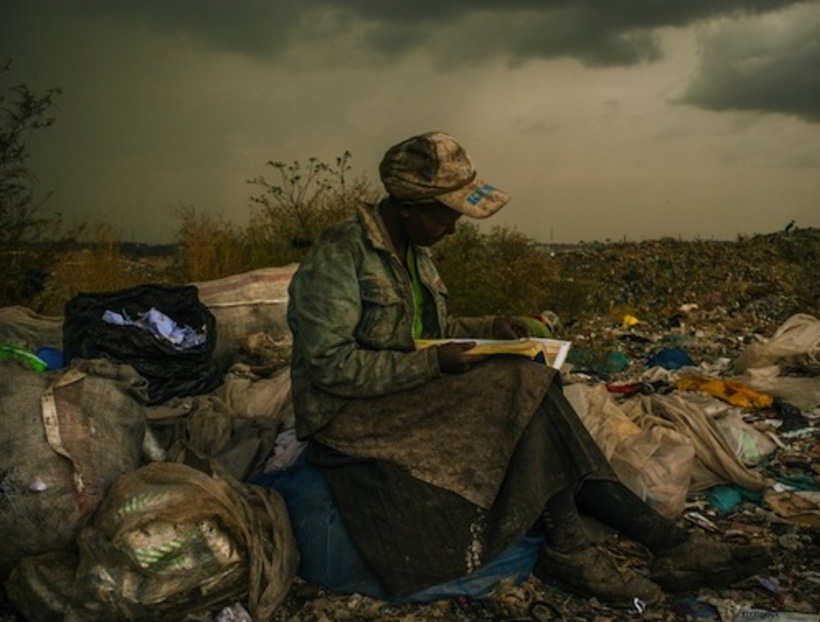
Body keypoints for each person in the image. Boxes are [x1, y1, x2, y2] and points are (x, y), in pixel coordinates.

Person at [287, 131, 769, 606]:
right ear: (408, 206)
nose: (453, 228)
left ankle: (659, 545)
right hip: (347, 415)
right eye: (446, 216)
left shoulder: (416, 255)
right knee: (521, 388)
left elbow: (429, 327)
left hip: (400, 392)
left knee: (532, 383)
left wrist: (493, 327)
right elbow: (331, 367)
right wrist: (433, 362)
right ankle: (608, 547)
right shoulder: (340, 255)